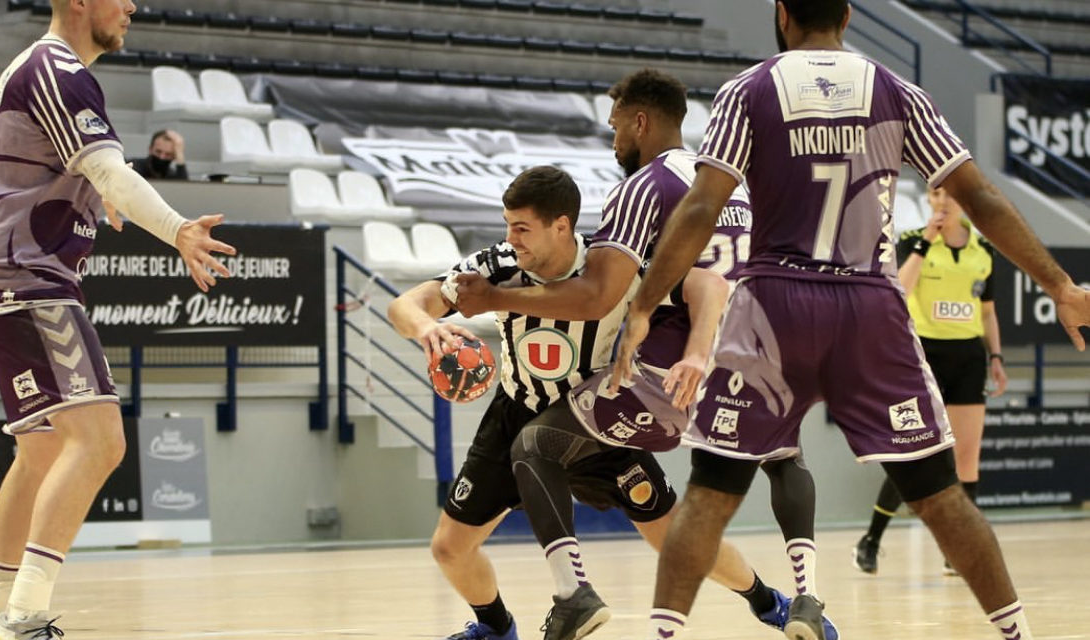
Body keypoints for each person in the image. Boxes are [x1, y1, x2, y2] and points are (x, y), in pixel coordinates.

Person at [610, 2, 1090, 640]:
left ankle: (664, 634)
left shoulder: (748, 89)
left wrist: (644, 305)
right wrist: (1059, 284)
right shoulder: (897, 89)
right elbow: (981, 197)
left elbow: (701, 207)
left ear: (782, 14)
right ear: (848, 14)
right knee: (942, 495)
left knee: (711, 490)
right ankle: (1018, 635)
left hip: (773, 302)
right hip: (867, 301)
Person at [452, 69, 830, 631]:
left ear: (641, 122)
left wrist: (494, 297)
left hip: (664, 376)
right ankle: (805, 599)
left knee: (534, 444)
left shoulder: (642, 188)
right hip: (760, 354)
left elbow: (597, 293)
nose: (613, 141)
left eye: (615, 127)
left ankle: (573, 593)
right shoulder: (733, 183)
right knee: (783, 461)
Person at [388, 166, 793, 640]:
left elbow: (708, 284)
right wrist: (427, 328)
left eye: (522, 227)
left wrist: (699, 353)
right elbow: (406, 304)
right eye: (507, 224)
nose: (510, 237)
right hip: (516, 409)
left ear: (562, 225)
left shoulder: (613, 267)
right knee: (450, 548)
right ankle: (497, 628)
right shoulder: (499, 264)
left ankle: (769, 603)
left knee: (674, 540)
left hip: (595, 416)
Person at [0, 1, 237, 639]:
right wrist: (177, 231)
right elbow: (108, 169)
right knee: (101, 441)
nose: (133, 6)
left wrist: (98, 191)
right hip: (27, 280)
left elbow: (86, 171)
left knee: (38, 453)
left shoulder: (43, 69)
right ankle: (24, 620)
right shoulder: (58, 68)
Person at [854, 187, 1008, 576]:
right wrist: (926, 242)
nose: (943, 201)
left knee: (967, 455)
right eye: (936, 193)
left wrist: (996, 356)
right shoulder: (910, 241)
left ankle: (958, 549)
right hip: (923, 356)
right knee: (915, 452)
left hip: (968, 359)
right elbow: (900, 289)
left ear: (963, 201)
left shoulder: (982, 251)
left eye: (952, 194)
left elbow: (987, 313)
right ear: (928, 198)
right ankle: (871, 540)